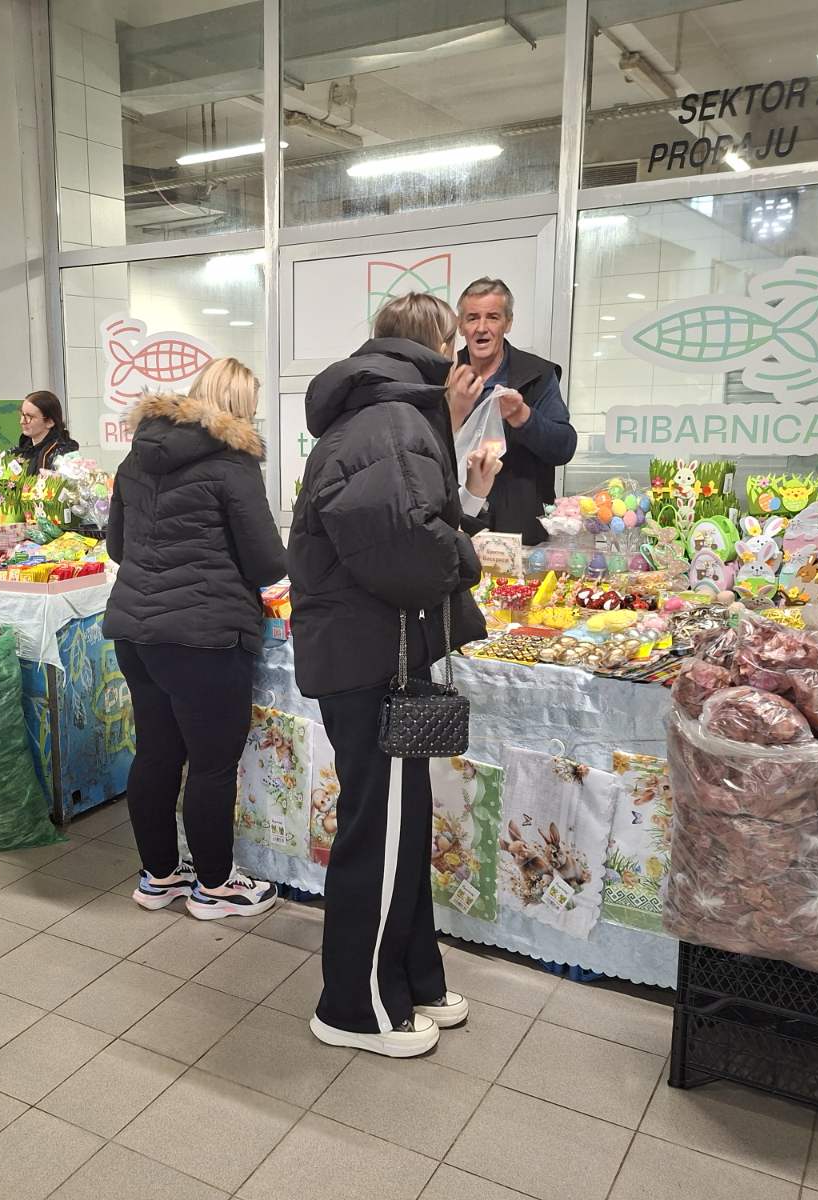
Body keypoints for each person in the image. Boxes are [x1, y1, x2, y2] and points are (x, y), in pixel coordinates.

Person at [288, 293, 493, 1058]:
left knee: (400, 828)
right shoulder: (393, 422)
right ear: (437, 346)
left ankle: (414, 980)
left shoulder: (385, 417)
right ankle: (354, 1007)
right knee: (378, 833)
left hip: (369, 652)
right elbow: (409, 553)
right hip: (368, 659)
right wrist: (467, 548)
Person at [103, 357, 287, 920]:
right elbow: (264, 563)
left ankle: (159, 877)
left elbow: (116, 547)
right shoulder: (234, 465)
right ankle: (215, 886)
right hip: (205, 637)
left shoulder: (138, 456)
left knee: (156, 753)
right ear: (239, 409)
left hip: (135, 631)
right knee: (211, 764)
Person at [448, 277, 576, 544]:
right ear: (460, 326)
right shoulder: (442, 376)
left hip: (519, 532)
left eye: (492, 317)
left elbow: (564, 447)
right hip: (454, 528)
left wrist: (524, 417)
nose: (481, 328)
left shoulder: (537, 376)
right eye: (472, 318)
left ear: (508, 323)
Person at [14, 389, 80, 472]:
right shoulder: (21, 450)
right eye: (22, 414)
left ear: (50, 422)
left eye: (29, 417)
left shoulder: (64, 455)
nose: (22, 421)